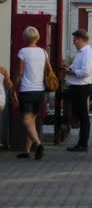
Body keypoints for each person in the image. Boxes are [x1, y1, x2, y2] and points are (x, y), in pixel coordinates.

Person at [13, 26, 49, 159]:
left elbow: (20, 72)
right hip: (40, 90)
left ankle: (39, 144)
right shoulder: (44, 52)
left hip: (27, 90)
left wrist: (13, 89)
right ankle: (27, 150)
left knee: (26, 120)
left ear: (25, 37)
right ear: (37, 37)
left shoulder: (23, 52)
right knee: (32, 120)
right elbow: (45, 71)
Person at [63, 29, 92, 152]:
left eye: (75, 40)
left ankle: (83, 144)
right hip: (76, 86)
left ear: (81, 40)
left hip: (81, 87)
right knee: (79, 114)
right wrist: (68, 68)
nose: (74, 42)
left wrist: (71, 72)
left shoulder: (87, 53)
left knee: (83, 116)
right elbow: (76, 67)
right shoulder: (80, 53)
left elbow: (86, 72)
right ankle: (81, 142)